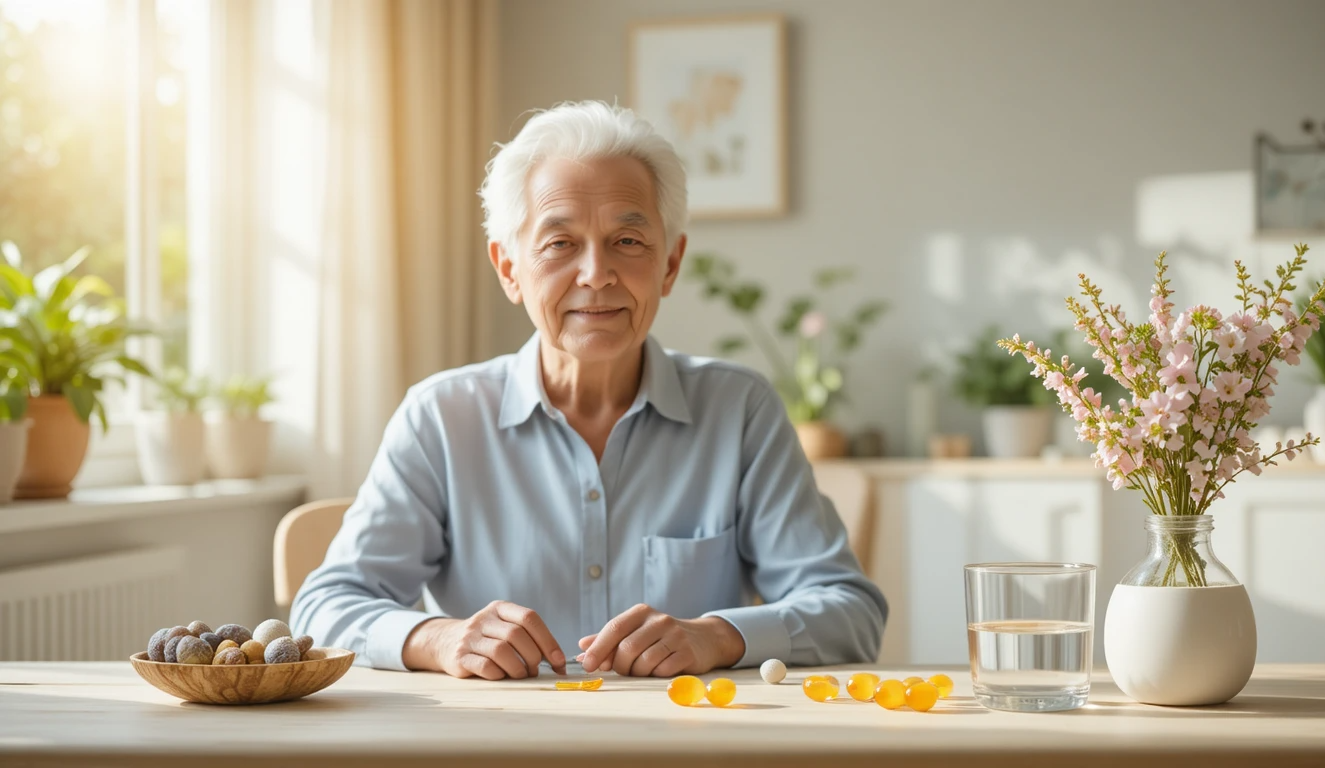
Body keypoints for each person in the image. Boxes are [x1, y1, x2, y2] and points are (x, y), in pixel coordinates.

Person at [291, 101, 887, 680]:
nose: (596, 273)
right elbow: (324, 608)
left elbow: (850, 613)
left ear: (671, 265)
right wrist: (440, 636)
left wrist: (716, 635)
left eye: (628, 242)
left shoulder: (740, 411)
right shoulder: (440, 417)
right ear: (508, 270)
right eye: (560, 243)